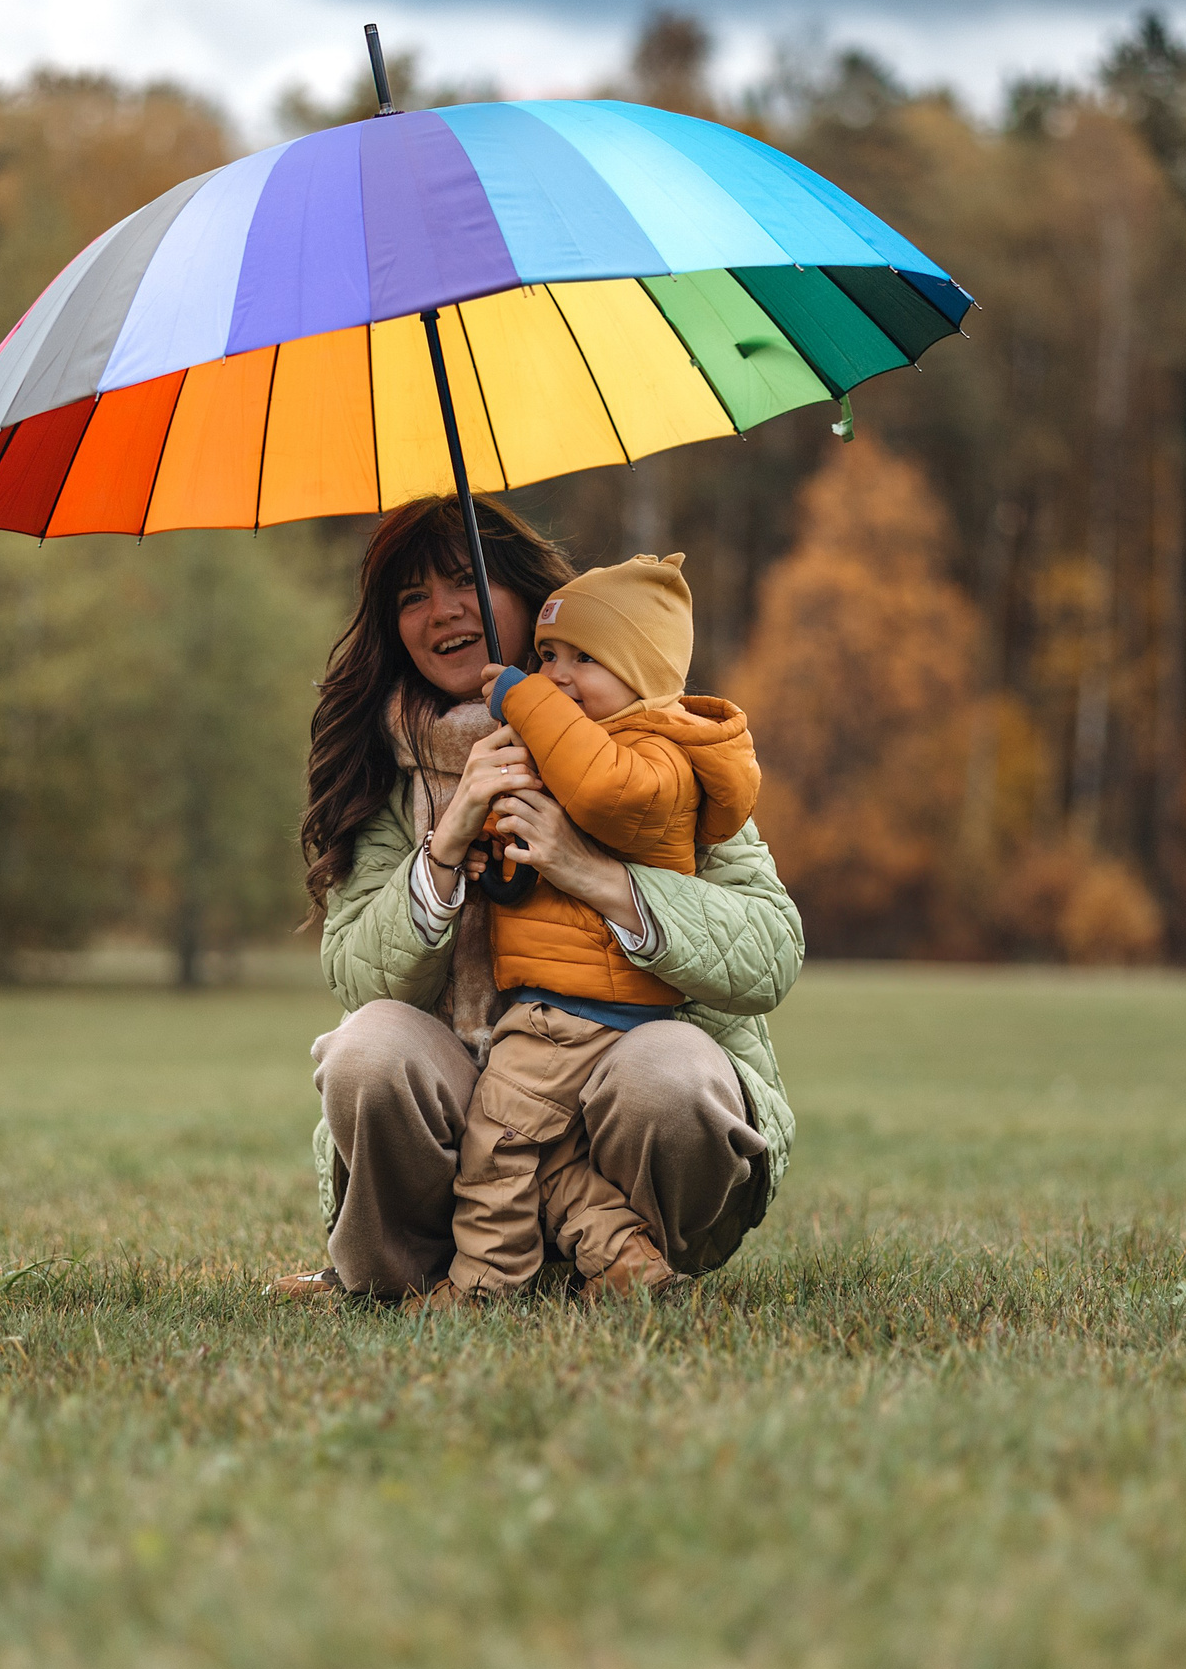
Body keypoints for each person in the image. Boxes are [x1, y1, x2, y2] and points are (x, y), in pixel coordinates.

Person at [278, 495, 802, 1304]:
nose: (442, 611)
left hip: (612, 1080)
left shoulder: (651, 746)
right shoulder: (386, 771)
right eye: (412, 596)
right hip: (469, 1103)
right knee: (368, 1048)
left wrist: (594, 871)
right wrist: (446, 842)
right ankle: (405, 1267)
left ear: (526, 598)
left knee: (672, 1076)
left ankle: (631, 1259)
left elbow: (769, 950)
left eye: (464, 581)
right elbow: (356, 974)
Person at [422, 553, 759, 1306]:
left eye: (585, 658)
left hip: (576, 1010)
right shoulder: (588, 743)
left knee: (496, 1144)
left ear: (643, 674)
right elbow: (545, 859)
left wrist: (523, 698)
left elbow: (602, 792)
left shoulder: (657, 756)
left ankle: (481, 1287)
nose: (557, 674)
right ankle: (626, 1263)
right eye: (546, 655)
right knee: (550, 1156)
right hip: (571, 997)